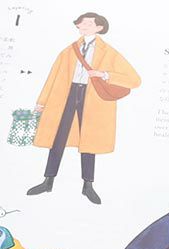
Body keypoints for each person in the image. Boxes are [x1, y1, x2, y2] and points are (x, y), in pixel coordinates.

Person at [27, 12, 141, 205]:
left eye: (88, 23)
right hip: (67, 95)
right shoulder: (69, 50)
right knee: (58, 138)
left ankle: (88, 185)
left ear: (99, 28)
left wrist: (104, 74)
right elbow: (52, 77)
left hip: (93, 99)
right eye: (81, 23)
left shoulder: (109, 52)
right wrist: (42, 102)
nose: (82, 25)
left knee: (90, 141)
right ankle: (48, 181)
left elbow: (134, 80)